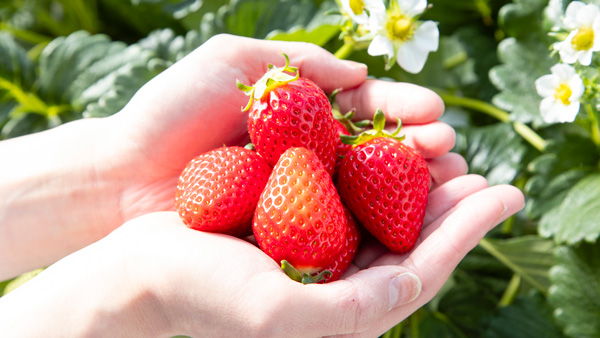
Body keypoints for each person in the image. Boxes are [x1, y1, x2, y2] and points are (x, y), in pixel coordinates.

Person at [0, 34, 524, 337]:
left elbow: (297, 163)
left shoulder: (295, 159)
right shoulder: (293, 161)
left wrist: (110, 172)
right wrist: (147, 286)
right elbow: (298, 163)